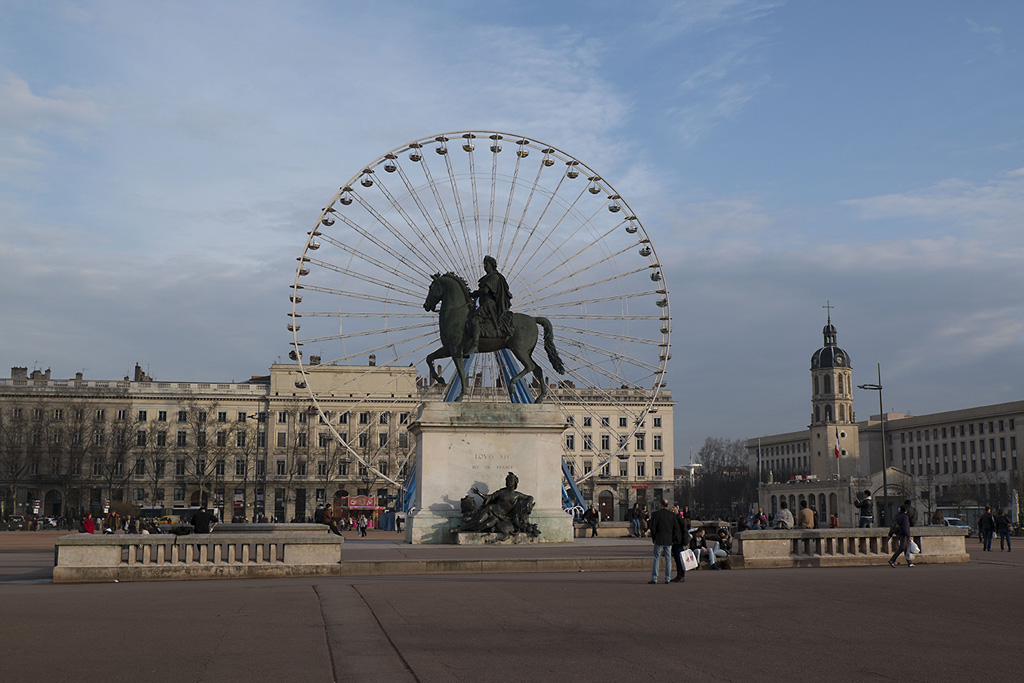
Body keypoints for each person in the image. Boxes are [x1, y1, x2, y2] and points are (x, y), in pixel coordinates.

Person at [466, 255, 514, 355]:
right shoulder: (487, 278)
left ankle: (475, 345)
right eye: (484, 264)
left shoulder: (494, 277)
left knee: (475, 319)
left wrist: (474, 293)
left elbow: (485, 291)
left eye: (486, 264)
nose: (485, 266)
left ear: (492, 265)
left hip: (489, 305)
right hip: (483, 303)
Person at [648, 499, 680, 584]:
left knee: (656, 558)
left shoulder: (655, 514)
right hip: (668, 539)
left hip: (659, 538)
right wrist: (672, 538)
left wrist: (654, 538)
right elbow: (676, 528)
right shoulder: (672, 515)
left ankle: (655, 578)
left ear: (660, 504)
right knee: (668, 559)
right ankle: (667, 578)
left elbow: (653, 527)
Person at [670, 507, 690, 582]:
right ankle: (679, 575)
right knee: (677, 560)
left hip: (679, 542)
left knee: (680, 560)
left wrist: (685, 542)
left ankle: (681, 576)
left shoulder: (680, 519)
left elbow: (684, 531)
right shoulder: (673, 519)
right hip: (675, 541)